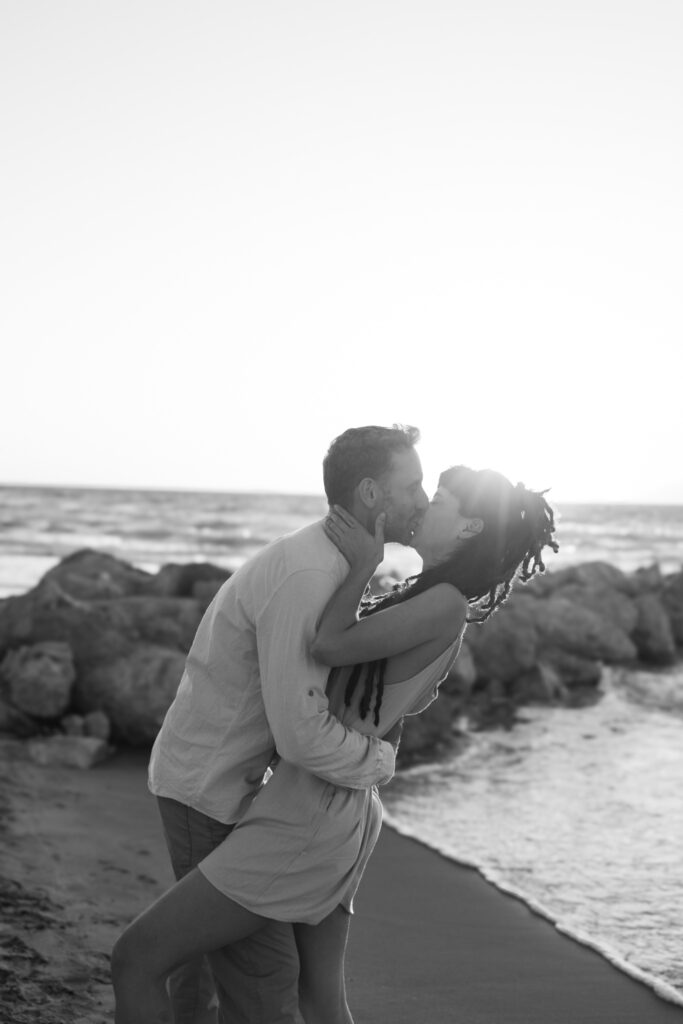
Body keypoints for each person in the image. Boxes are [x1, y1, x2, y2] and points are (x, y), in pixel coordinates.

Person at [112, 461, 558, 1024]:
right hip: (333, 807)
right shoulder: (430, 596)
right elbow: (400, 701)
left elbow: (327, 644)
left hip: (310, 817)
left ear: (470, 527)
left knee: (136, 958)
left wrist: (364, 564)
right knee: (321, 999)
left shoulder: (444, 603)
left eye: (439, 498)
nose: (424, 505)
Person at [136, 424, 430, 1024]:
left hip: (224, 785)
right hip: (208, 791)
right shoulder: (309, 575)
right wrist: (379, 764)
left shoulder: (332, 563)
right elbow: (300, 734)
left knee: (206, 977)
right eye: (415, 484)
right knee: (259, 985)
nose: (423, 500)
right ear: (371, 493)